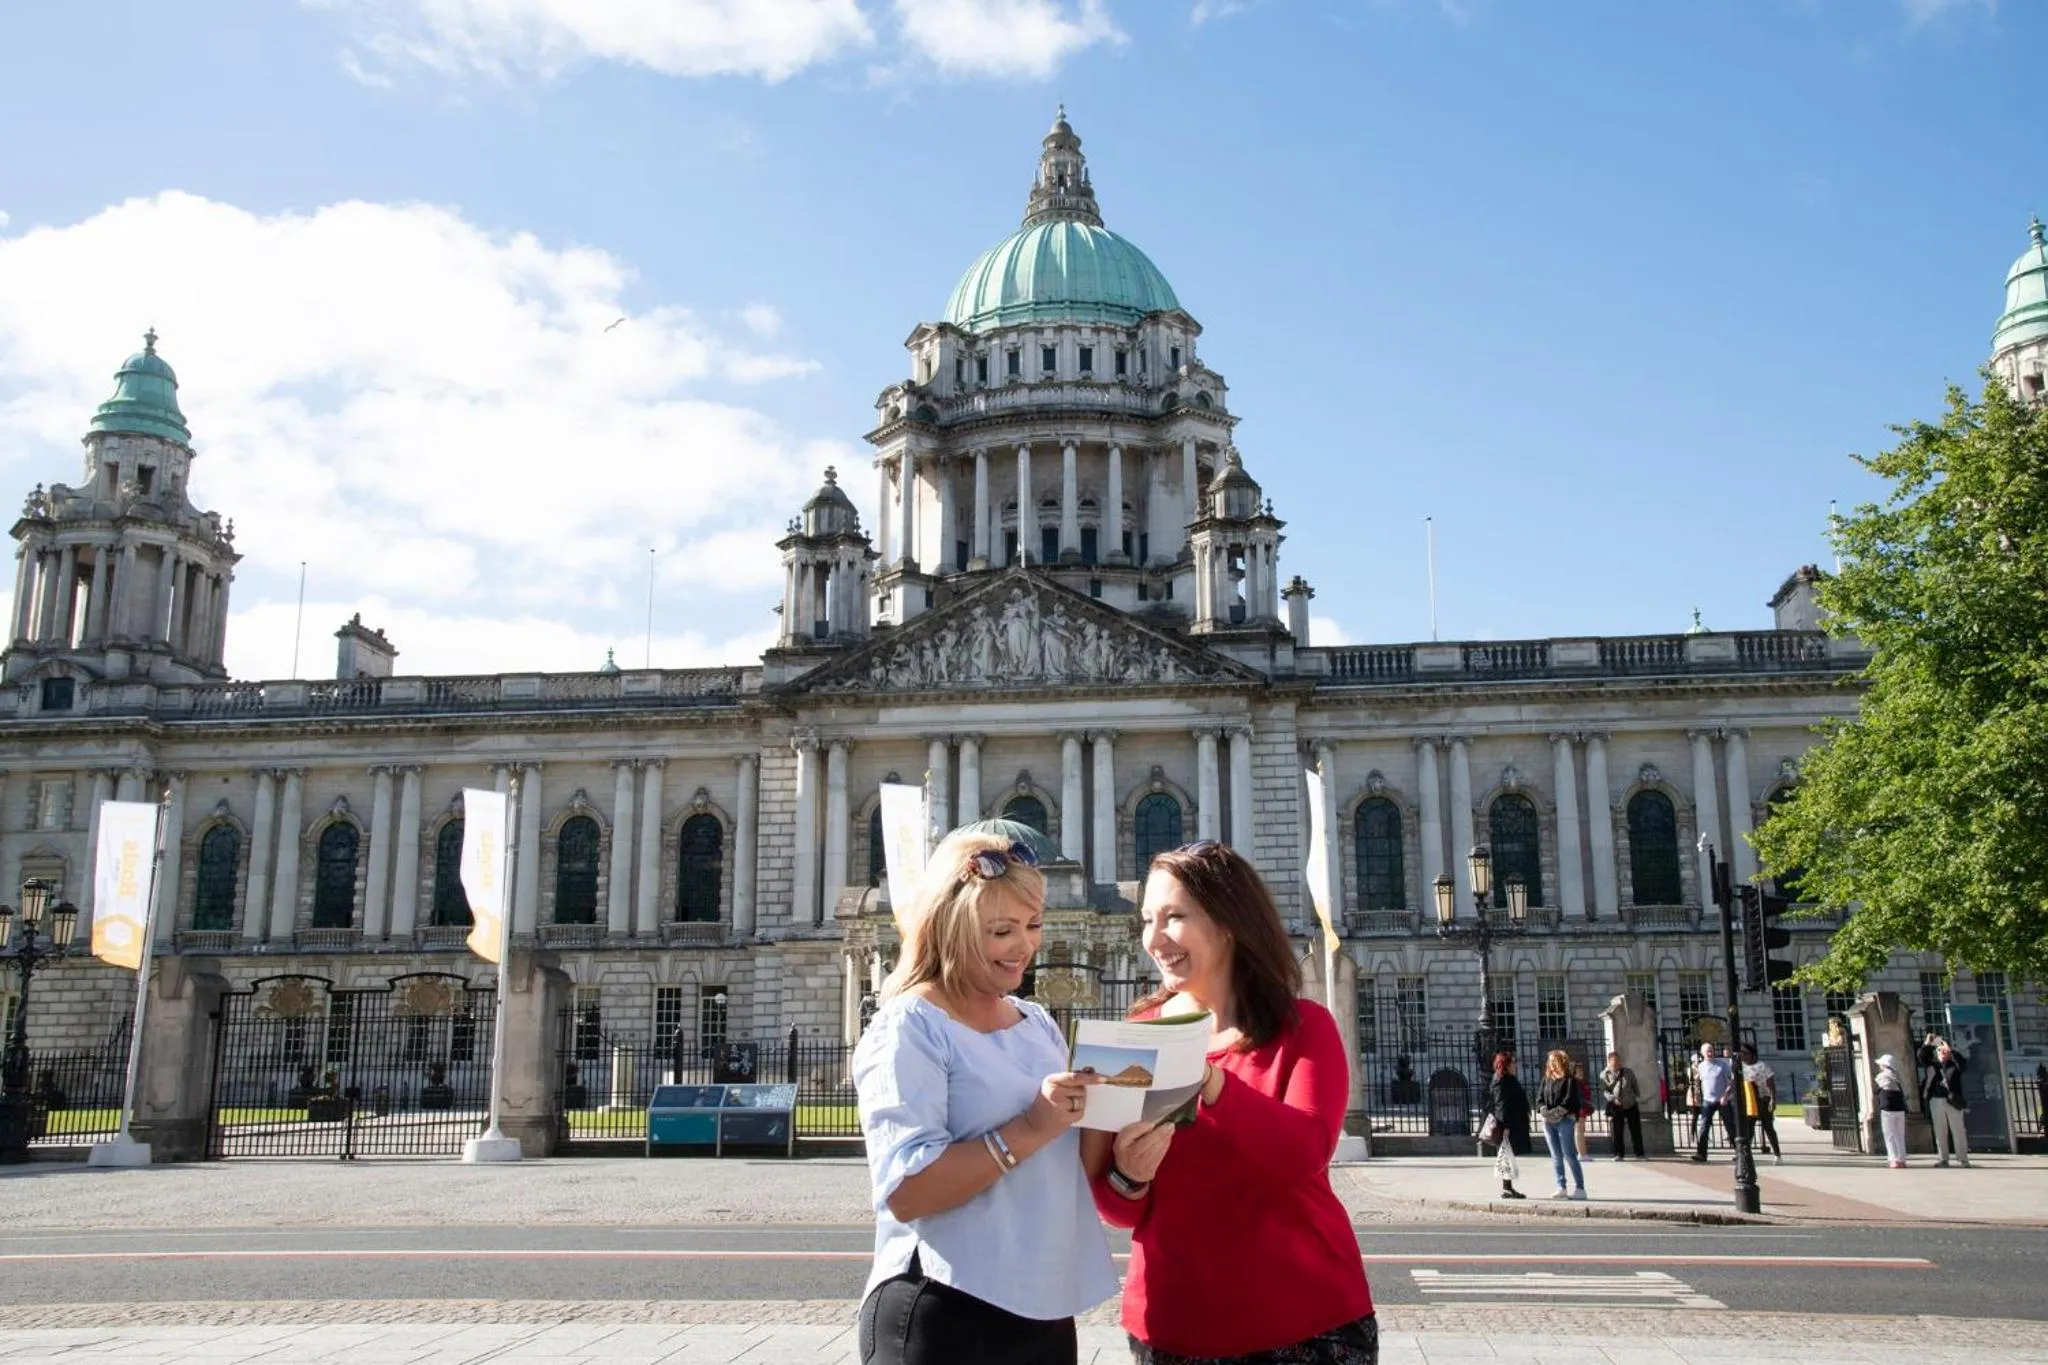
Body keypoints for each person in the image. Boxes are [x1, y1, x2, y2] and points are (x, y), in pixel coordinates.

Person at [1087, 841, 1378, 1364]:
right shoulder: (1137, 1037)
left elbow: (1306, 1153)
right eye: (1148, 919)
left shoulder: (1304, 1027)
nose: (1154, 939)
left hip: (1305, 1325)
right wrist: (1129, 1174)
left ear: (1228, 923)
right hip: (1173, 1328)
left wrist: (1210, 1080)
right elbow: (1117, 1210)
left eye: (1174, 917)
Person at [853, 830, 1117, 1365]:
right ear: (952, 928)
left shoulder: (1035, 1021)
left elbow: (1062, 1159)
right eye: (1002, 930)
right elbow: (907, 1189)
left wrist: (1123, 1128)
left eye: (1034, 926)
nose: (1024, 946)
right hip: (946, 1304)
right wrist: (1033, 1125)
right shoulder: (910, 1024)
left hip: (1041, 1305)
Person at [1534, 1049, 1587, 1200]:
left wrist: (1556, 1112)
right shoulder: (1546, 1079)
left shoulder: (1569, 1080)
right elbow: (1539, 1098)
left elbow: (1570, 1101)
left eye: (1553, 1060)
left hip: (1565, 1119)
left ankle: (1580, 1187)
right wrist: (1544, 1110)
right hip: (1548, 1122)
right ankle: (1561, 1186)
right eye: (1549, 1061)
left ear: (1560, 1062)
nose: (1550, 1064)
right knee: (1555, 1156)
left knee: (1569, 1154)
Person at [1917, 1034, 1970, 1168]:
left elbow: (1963, 1064)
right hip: (1936, 1100)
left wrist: (1950, 1050)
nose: (1942, 1053)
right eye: (1939, 1051)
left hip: (1952, 1100)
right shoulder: (1933, 1064)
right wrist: (1927, 1043)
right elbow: (1921, 1056)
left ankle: (1963, 1159)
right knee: (1940, 1130)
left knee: (1958, 1130)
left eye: (1944, 1051)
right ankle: (1943, 1158)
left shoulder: (1954, 1065)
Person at [1484, 1051, 1531, 1199]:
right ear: (1506, 1065)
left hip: (1513, 1122)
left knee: (1507, 1156)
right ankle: (1507, 1188)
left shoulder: (1507, 1079)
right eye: (1513, 1063)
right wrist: (1505, 1126)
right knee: (1506, 1156)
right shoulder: (1501, 1080)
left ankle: (1508, 1187)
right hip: (1508, 1124)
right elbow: (1501, 1104)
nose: (1515, 1065)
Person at [1690, 1042, 1739, 1162]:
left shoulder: (1722, 1064)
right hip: (1708, 1100)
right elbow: (1698, 1084)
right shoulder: (1701, 1067)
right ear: (1702, 1053)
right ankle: (1701, 1153)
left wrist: (1726, 1095)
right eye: (1707, 1051)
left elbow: (1731, 1082)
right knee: (1704, 1127)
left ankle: (1739, 1152)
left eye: (1711, 1050)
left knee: (1730, 1126)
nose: (1710, 1053)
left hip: (1722, 1099)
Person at [1740, 1045, 1782, 1164]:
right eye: (1742, 1053)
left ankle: (1777, 1153)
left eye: (1745, 1053)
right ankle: (1746, 1154)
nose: (1743, 1055)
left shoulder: (1762, 1066)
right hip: (1750, 1100)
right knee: (1749, 1128)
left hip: (1763, 1099)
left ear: (1752, 1054)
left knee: (1768, 1127)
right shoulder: (1741, 1067)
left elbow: (1771, 1084)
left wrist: (1773, 1099)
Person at [1599, 1051, 1645, 1161]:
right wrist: (1613, 1099)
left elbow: (1635, 1085)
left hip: (1630, 1104)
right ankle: (1619, 1154)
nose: (1617, 1064)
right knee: (1617, 1130)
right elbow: (1604, 1091)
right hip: (1616, 1106)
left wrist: (1638, 1096)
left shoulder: (1628, 1072)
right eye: (1615, 1062)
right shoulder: (1604, 1075)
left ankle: (1639, 1153)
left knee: (1635, 1130)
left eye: (1619, 1061)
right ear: (1609, 1062)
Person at [1873, 1053, 1909, 1168]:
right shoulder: (1898, 1076)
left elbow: (1878, 1087)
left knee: (1889, 1135)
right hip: (1900, 1108)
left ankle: (1893, 1159)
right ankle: (1902, 1159)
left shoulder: (1881, 1076)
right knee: (1900, 1134)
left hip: (1887, 1108)